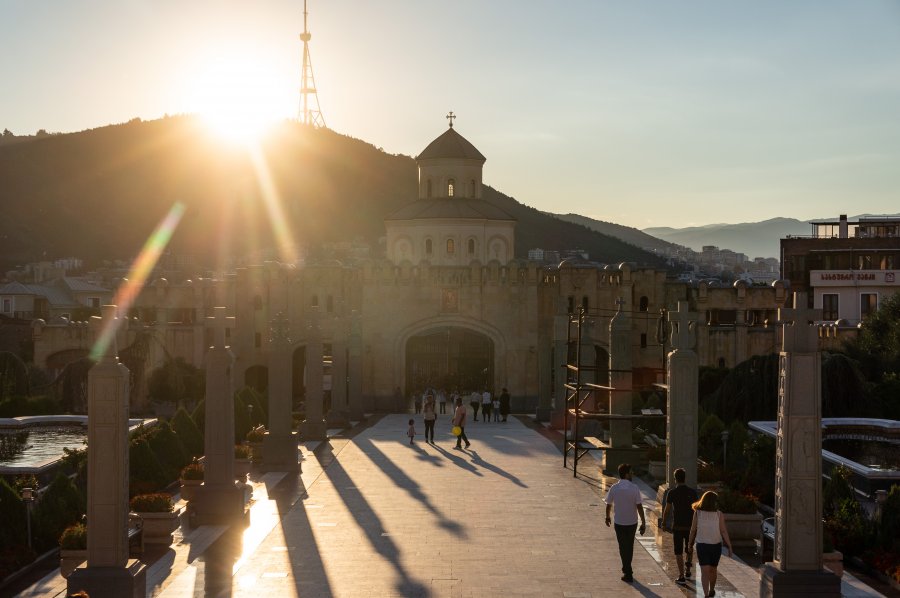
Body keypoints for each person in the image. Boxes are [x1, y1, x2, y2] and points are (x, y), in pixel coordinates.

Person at [604, 463, 646, 583]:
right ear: (626, 474)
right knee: (630, 546)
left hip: (619, 522)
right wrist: (643, 522)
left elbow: (608, 504)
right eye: (631, 472)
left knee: (623, 547)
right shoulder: (635, 488)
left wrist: (607, 517)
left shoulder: (614, 488)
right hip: (632, 522)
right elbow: (639, 506)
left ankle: (627, 570)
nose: (632, 474)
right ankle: (627, 570)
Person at [688, 491, 733, 598]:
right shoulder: (698, 513)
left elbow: (723, 531)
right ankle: (706, 595)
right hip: (703, 545)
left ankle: (712, 589)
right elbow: (693, 530)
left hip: (715, 545)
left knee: (713, 569)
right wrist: (690, 544)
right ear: (713, 502)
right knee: (706, 571)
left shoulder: (718, 514)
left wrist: (729, 546)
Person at [661, 468, 699, 584]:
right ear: (684, 478)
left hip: (677, 526)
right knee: (689, 548)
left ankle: (681, 575)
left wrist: (663, 522)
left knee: (678, 551)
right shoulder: (692, 492)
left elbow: (667, 510)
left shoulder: (672, 493)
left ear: (675, 479)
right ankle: (688, 569)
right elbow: (697, 511)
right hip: (690, 526)